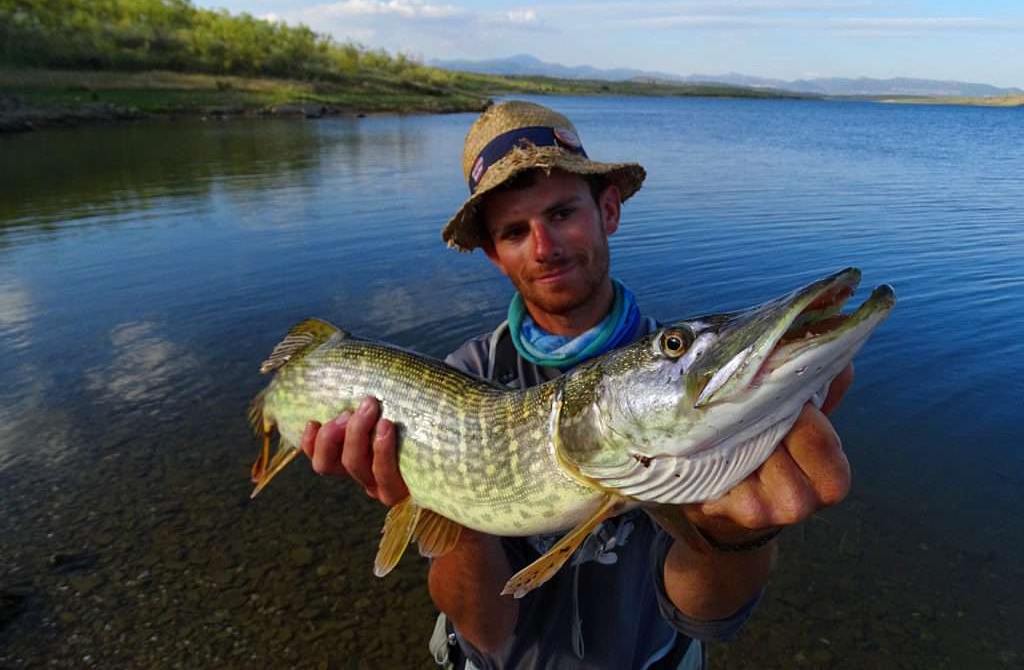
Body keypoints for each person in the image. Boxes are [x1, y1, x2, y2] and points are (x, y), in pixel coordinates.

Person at [301, 101, 855, 669]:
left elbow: (705, 616)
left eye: (562, 213)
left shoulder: (677, 405)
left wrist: (735, 537)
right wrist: (433, 498)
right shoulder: (463, 377)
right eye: (515, 231)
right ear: (494, 254)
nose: (545, 247)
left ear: (608, 209)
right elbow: (485, 629)